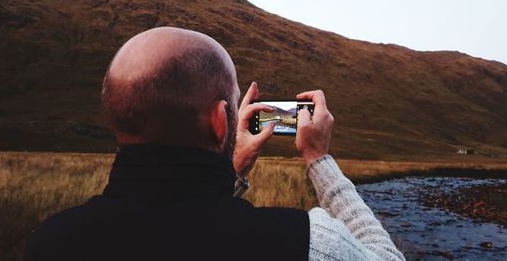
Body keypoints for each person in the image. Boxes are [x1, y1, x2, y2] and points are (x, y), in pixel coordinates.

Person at [24, 27, 405, 261]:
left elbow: (182, 224)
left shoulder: (52, 241)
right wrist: (318, 157)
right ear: (221, 120)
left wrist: (232, 167)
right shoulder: (301, 241)